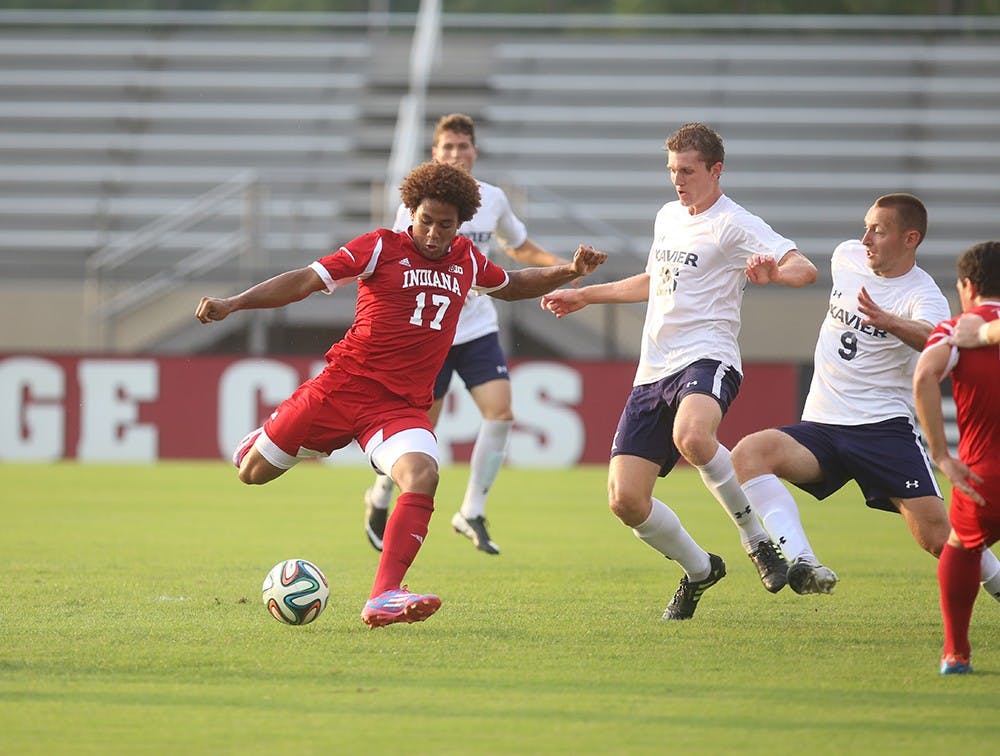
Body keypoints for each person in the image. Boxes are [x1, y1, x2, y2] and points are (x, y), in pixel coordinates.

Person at [195, 161, 607, 628]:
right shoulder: (379, 248)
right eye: (425, 220)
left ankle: (384, 594)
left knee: (423, 474)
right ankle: (263, 438)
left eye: (446, 225)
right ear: (410, 211)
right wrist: (233, 303)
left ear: (462, 224)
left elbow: (511, 287)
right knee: (252, 473)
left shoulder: (467, 260)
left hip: (399, 408)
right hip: (341, 388)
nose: (433, 233)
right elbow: (305, 280)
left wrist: (569, 270)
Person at [541, 122, 817, 620]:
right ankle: (700, 569)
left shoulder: (733, 223)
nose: (677, 180)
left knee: (693, 436)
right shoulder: (668, 215)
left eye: (687, 170)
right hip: (653, 370)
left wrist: (773, 272)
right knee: (625, 501)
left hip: (708, 356)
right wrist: (585, 293)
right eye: (672, 170)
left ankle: (758, 540)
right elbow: (656, 279)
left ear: (716, 170)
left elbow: (805, 269)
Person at [730, 195, 1000, 602]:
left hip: (883, 428)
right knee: (749, 454)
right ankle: (804, 561)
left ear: (910, 239)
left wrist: (889, 321)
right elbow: (804, 268)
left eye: (879, 230)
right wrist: (775, 274)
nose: (866, 237)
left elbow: (935, 339)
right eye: (866, 226)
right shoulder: (847, 257)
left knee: (937, 538)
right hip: (823, 423)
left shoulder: (922, 293)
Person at [363, 113, 572, 556]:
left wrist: (563, 269)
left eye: (463, 147)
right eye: (448, 148)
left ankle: (471, 510)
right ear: (435, 153)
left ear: (474, 151)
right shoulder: (414, 205)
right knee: (421, 431)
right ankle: (380, 495)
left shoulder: (491, 199)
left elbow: (518, 247)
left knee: (501, 413)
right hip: (431, 333)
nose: (456, 155)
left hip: (477, 327)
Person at [914, 240, 1000, 675]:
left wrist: (942, 455)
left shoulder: (955, 329)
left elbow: (926, 373)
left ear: (967, 285)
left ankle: (956, 653)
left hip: (985, 477)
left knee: (962, 549)